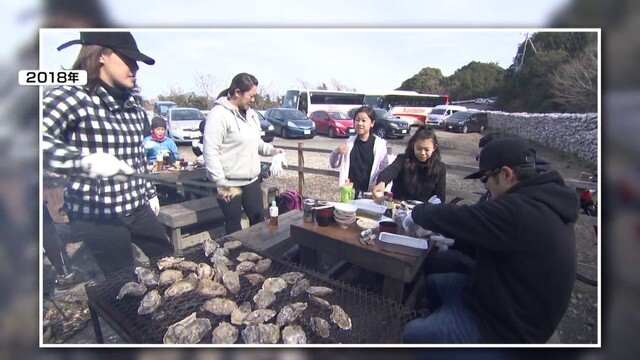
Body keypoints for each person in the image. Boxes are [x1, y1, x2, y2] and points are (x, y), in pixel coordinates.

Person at [402, 137, 578, 343]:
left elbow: (462, 217)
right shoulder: (540, 198)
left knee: (413, 333)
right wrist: (456, 242)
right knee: (433, 283)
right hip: (500, 293)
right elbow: (497, 241)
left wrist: (418, 213)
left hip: (509, 326)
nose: (485, 187)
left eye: (486, 179)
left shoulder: (518, 210)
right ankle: (441, 326)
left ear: (506, 174)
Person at [42, 31, 174, 275]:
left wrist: (150, 193)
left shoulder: (134, 106)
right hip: (97, 213)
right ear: (102, 55)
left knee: (168, 259)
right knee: (123, 277)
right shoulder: (72, 95)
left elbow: (138, 158)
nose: (135, 68)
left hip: (136, 205)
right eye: (128, 59)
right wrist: (83, 162)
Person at [203, 73, 283, 234]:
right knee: (234, 224)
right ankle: (236, 256)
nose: (253, 100)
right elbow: (210, 151)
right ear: (238, 92)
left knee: (258, 219)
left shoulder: (251, 115)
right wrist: (220, 182)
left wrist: (273, 151)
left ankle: (260, 254)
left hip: (251, 179)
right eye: (251, 96)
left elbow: (256, 143)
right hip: (229, 182)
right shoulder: (218, 115)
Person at [371, 126, 446, 203]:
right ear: (413, 145)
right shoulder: (403, 160)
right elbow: (390, 171)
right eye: (419, 149)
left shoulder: (440, 168)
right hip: (399, 206)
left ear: (434, 147)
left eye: (426, 150)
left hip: (424, 211)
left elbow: (440, 196)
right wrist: (382, 182)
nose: (422, 153)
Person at [329, 105, 388, 198]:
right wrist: (336, 151)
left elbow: (384, 169)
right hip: (349, 191)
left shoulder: (379, 145)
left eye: (364, 120)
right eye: (357, 120)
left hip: (369, 193)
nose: (360, 123)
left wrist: (378, 185)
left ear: (372, 123)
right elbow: (334, 164)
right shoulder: (349, 142)